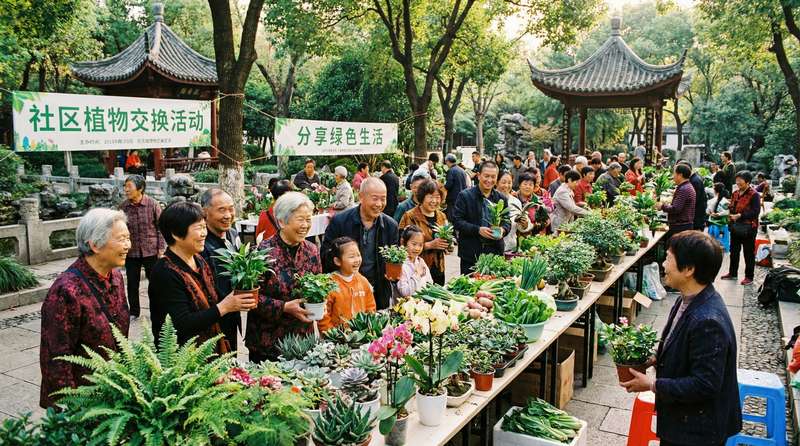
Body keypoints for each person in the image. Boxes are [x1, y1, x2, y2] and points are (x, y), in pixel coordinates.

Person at [621, 231, 741, 446]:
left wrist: (652, 384)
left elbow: (705, 384)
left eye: (668, 258)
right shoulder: (687, 298)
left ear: (688, 270)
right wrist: (655, 357)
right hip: (682, 419)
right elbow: (678, 341)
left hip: (697, 430)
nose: (663, 264)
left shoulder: (708, 321)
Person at [40, 209, 131, 408]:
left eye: (128, 238)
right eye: (121, 239)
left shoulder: (115, 276)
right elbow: (56, 358)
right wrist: (70, 406)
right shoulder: (66, 290)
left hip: (113, 394)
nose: (127, 245)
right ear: (94, 245)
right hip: (83, 401)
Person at [149, 201, 255, 355]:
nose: (204, 233)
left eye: (204, 227)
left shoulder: (199, 259)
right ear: (176, 234)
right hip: (182, 359)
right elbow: (182, 324)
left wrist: (238, 300)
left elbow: (212, 298)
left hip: (209, 352)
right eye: (199, 228)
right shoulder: (165, 271)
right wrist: (224, 307)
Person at [248, 192, 320, 362]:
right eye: (300, 219)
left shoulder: (312, 250)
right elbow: (249, 299)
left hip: (303, 341)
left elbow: (318, 286)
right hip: (269, 344)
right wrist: (284, 307)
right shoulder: (262, 253)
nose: (305, 225)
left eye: (308, 219)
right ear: (281, 222)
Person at [323, 178, 399, 309]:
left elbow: (395, 258)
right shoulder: (340, 222)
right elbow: (325, 256)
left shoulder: (390, 225)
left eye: (383, 199)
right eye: (375, 198)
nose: (379, 204)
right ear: (361, 197)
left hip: (378, 291)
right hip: (346, 292)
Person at [199, 189, 244, 350]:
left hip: (233, 312)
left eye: (231, 208)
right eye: (221, 210)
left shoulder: (232, 233)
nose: (228, 215)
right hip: (212, 315)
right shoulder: (201, 243)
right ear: (205, 213)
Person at [452, 161, 511, 274]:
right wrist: (478, 230)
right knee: (470, 289)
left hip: (494, 254)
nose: (489, 180)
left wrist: (502, 230)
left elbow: (507, 222)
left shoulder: (501, 198)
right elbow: (457, 221)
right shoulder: (465, 196)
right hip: (471, 254)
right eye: (486, 176)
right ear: (479, 176)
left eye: (493, 177)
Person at [119, 174, 164, 319]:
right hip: (131, 252)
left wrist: (161, 250)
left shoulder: (152, 204)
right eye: (125, 186)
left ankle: (157, 311)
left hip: (151, 250)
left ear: (140, 188)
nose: (126, 190)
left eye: (129, 187)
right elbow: (118, 230)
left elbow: (161, 228)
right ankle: (134, 312)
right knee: (132, 283)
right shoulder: (123, 207)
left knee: (155, 284)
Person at [318, 237, 376, 331]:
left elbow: (370, 307)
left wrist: (369, 328)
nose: (357, 260)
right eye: (352, 256)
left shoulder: (363, 281)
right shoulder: (329, 284)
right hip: (337, 339)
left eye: (358, 255)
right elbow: (324, 316)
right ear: (337, 261)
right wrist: (333, 334)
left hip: (362, 335)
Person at [398, 179, 449, 285]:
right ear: (422, 197)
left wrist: (447, 245)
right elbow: (401, 245)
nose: (434, 201)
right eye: (430, 197)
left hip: (438, 268)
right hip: (415, 270)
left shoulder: (441, 216)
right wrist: (428, 245)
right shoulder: (410, 216)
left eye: (437, 197)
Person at [721, 170, 761, 285]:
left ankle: (749, 277)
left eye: (740, 180)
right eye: (737, 180)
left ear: (747, 182)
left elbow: (755, 212)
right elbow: (732, 207)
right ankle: (732, 273)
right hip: (735, 227)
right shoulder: (735, 193)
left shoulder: (754, 195)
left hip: (749, 228)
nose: (737, 182)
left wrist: (740, 215)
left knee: (748, 253)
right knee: (734, 251)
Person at [658, 163, 697, 240]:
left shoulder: (684, 189)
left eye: (674, 173)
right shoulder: (686, 186)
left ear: (680, 175)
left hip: (680, 227)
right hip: (683, 225)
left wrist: (661, 206)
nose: (673, 176)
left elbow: (676, 209)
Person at [497, 171, 531, 251]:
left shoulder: (515, 202)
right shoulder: (491, 200)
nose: (506, 186)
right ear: (497, 182)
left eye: (509, 183)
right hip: (494, 247)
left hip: (511, 246)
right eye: (503, 182)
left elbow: (519, 227)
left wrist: (524, 224)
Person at [396, 225, 434, 297]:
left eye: (420, 245)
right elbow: (405, 293)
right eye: (414, 244)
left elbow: (430, 283)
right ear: (403, 242)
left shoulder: (420, 261)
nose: (417, 248)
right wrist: (417, 274)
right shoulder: (400, 264)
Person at [678, 161, 709, 231]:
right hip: (697, 216)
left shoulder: (695, 181)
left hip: (697, 218)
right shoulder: (694, 178)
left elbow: (694, 200)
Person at [443, 154, 467, 222]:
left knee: (451, 218)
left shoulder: (451, 171)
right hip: (462, 197)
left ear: (447, 161)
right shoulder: (462, 170)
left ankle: (453, 232)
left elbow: (448, 185)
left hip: (453, 199)